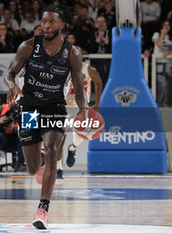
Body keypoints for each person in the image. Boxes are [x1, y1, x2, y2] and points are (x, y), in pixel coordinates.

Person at [4, 6, 86, 229]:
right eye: (44, 22)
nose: (46, 25)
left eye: (51, 22)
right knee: (31, 168)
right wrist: (11, 85)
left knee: (52, 148)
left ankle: (43, 209)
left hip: (54, 107)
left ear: (62, 25)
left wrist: (85, 110)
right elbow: (9, 73)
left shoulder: (73, 54)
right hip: (29, 106)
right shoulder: (29, 46)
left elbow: (79, 88)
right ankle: (38, 163)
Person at [55, 44, 103, 184]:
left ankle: (73, 148)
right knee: (60, 140)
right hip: (65, 108)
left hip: (82, 108)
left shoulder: (89, 70)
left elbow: (99, 83)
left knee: (84, 134)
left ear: (81, 56)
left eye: (77, 53)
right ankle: (59, 170)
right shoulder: (63, 69)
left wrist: (98, 103)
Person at [0, 103, 25, 172]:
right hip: (4, 137)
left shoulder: (25, 108)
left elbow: (29, 126)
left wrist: (14, 128)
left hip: (17, 137)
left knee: (22, 137)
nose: (15, 101)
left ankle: (21, 163)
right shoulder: (2, 108)